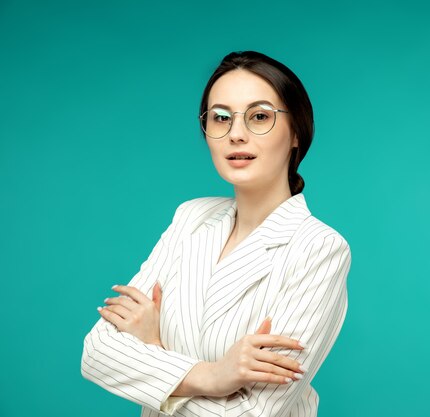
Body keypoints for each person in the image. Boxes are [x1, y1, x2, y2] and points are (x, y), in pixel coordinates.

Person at [81, 51, 352, 417]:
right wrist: (213, 376)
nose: (236, 134)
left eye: (259, 117)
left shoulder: (319, 249)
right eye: (221, 118)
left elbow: (253, 412)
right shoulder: (191, 217)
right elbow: (97, 353)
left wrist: (154, 351)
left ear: (296, 134)